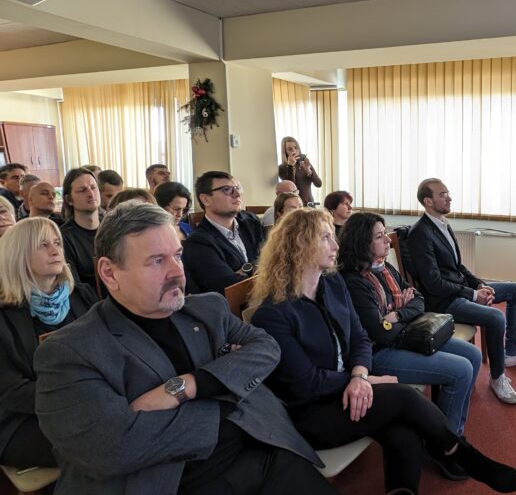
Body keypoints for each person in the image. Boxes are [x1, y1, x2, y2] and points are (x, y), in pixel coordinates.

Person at [33, 203, 337, 495]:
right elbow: (111, 449)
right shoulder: (68, 351)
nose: (176, 272)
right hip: (173, 482)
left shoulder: (206, 309)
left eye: (177, 255)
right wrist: (226, 399)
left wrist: (189, 385)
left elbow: (266, 347)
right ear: (110, 273)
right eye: (157, 261)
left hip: (260, 450)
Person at [249, 208, 516, 494]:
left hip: (352, 389)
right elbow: (307, 383)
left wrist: (360, 375)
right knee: (403, 397)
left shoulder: (332, 284)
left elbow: (360, 337)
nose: (336, 245)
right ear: (300, 245)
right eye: (326, 238)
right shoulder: (273, 314)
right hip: (313, 412)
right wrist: (365, 380)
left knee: (403, 431)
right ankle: (459, 452)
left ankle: (427, 472)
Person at [340, 212, 481, 441]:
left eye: (385, 234)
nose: (388, 240)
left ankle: (450, 429)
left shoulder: (384, 267)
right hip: (380, 352)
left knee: (473, 355)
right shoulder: (354, 281)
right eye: (379, 236)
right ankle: (445, 442)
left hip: (407, 334)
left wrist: (397, 314)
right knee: (461, 370)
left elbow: (418, 299)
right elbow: (381, 333)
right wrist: (400, 314)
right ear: (362, 242)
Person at [406, 178, 516, 406]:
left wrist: (478, 285)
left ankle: (511, 352)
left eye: (448, 193)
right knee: (496, 317)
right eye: (442, 194)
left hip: (460, 290)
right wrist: (473, 295)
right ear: (428, 201)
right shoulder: (420, 233)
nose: (449, 198)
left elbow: (457, 267)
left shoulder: (443, 224)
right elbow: (433, 284)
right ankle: (497, 378)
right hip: (443, 301)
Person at [0, 218, 98, 470]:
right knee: (100, 443)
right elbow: (10, 392)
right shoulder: (4, 315)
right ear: (18, 255)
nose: (55, 251)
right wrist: (79, 394)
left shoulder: (82, 296)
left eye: (57, 243)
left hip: (90, 403)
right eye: (43, 245)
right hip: (24, 419)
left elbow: (109, 351)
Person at [182, 171, 265, 295]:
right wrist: (259, 269)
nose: (237, 194)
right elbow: (230, 289)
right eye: (227, 190)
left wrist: (244, 270)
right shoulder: (198, 243)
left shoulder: (251, 221)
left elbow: (273, 259)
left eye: (237, 188)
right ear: (205, 199)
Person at [59, 168, 102, 292]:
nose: (91, 194)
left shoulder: (114, 226)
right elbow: (75, 286)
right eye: (82, 190)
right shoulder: (64, 238)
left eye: (93, 187)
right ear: (69, 199)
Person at [277, 137, 322, 206]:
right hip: (295, 205)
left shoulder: (305, 163)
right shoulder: (282, 168)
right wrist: (290, 166)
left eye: (296, 147)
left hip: (310, 204)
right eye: (290, 149)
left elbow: (319, 184)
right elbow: (291, 189)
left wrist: (309, 171)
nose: (294, 151)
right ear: (285, 152)